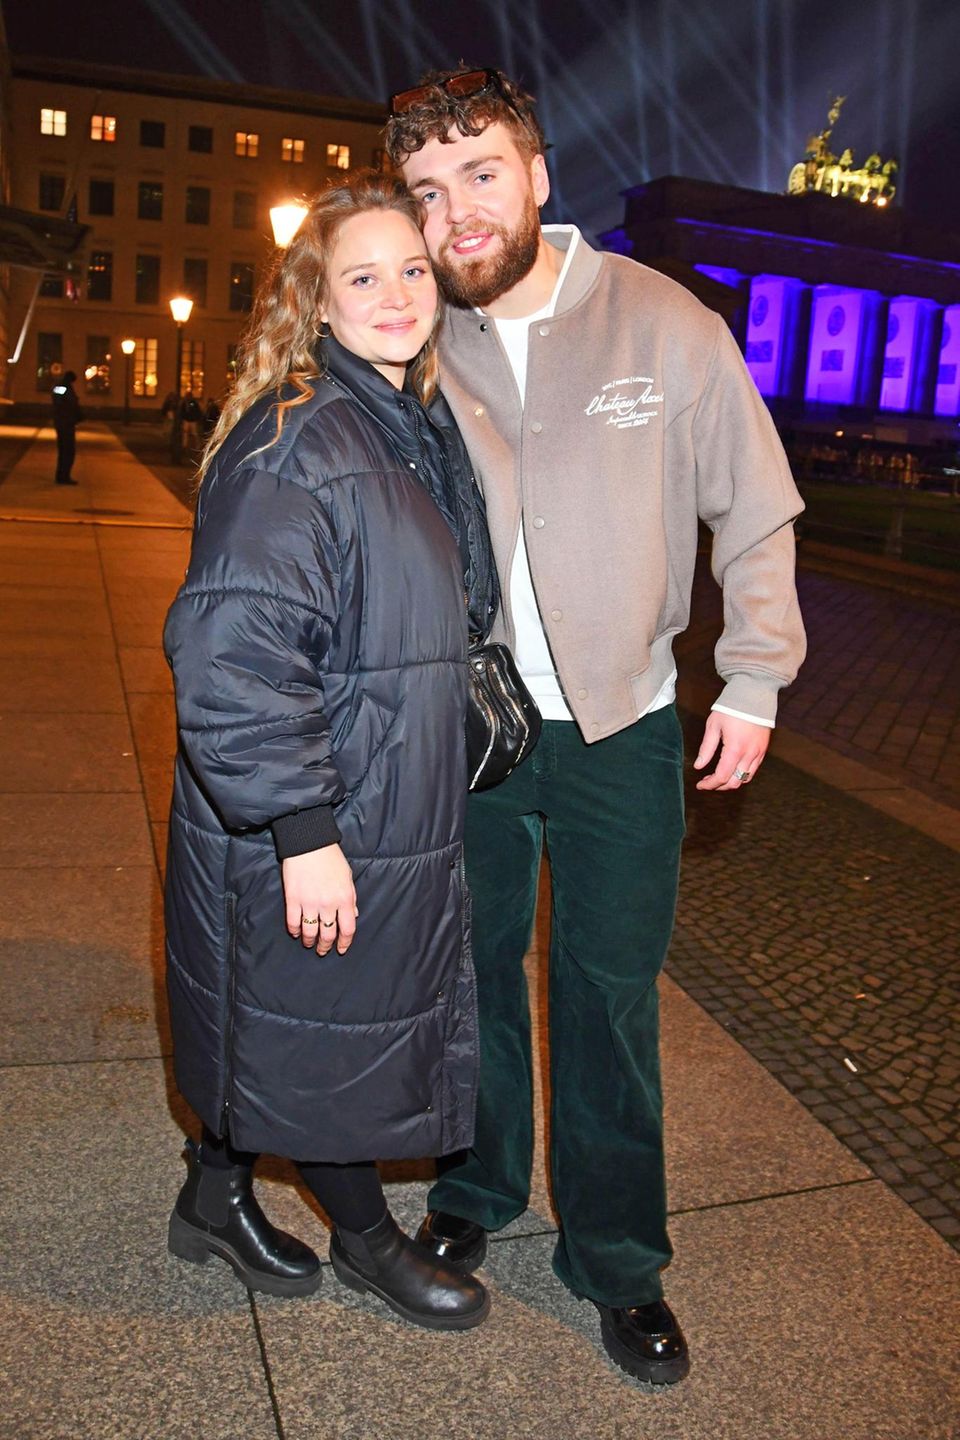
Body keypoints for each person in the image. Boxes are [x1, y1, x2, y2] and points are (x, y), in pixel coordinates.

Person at [386, 67, 807, 1383]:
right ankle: (477, 1189)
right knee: (470, 980)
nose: (456, 212)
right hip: (473, 728)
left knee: (608, 998)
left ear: (538, 174)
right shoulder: (412, 340)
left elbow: (754, 503)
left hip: (624, 724)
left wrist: (753, 673)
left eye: (481, 174)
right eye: (427, 190)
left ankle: (618, 1261)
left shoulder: (661, 322)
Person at [162, 171, 498, 1331]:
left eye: (414, 269)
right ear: (316, 300)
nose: (399, 293)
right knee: (327, 1023)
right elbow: (230, 656)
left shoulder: (399, 415)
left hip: (369, 781)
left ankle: (211, 1201)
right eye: (364, 275)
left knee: (278, 1011)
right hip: (317, 804)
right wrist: (304, 834)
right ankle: (369, 1241)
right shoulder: (302, 440)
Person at [51, 369, 82, 485]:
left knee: (64, 451)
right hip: (65, 423)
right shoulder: (64, 387)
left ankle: (62, 475)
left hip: (64, 422)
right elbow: (61, 404)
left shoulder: (62, 387)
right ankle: (64, 476)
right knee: (68, 451)